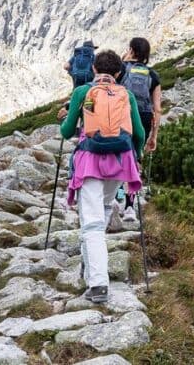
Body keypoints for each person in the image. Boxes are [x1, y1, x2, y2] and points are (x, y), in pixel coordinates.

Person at [59, 50, 144, 304]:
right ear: (119, 73)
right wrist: (135, 156)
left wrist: (63, 119)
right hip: (120, 162)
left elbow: (66, 132)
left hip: (90, 161)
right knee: (104, 209)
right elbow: (138, 132)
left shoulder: (81, 92)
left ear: (94, 69)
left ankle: (98, 283)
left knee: (92, 223)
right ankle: (89, 267)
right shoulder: (125, 94)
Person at [119, 37, 161, 222]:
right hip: (143, 116)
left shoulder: (120, 69)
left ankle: (115, 195)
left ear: (131, 50)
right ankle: (129, 206)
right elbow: (157, 109)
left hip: (123, 113)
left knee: (118, 154)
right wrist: (154, 136)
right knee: (135, 158)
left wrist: (124, 58)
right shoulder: (153, 75)